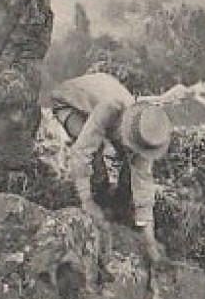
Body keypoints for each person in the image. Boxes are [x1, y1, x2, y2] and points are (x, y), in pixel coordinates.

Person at [49, 72, 172, 265]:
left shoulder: (145, 133)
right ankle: (94, 199)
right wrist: (88, 202)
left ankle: (117, 206)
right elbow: (81, 153)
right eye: (133, 147)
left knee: (127, 174)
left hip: (101, 101)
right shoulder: (111, 109)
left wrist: (149, 241)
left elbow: (144, 189)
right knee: (95, 157)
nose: (136, 154)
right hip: (69, 101)